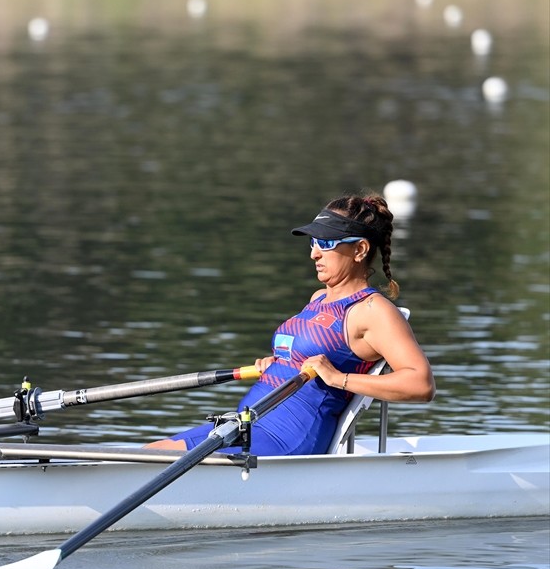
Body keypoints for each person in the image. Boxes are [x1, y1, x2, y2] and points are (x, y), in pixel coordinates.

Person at [146, 193, 435, 456]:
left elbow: (420, 384)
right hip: (247, 425)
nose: (314, 254)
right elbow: (311, 353)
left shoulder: (372, 311)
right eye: (313, 243)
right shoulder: (318, 298)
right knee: (150, 452)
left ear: (360, 250)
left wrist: (338, 379)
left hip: (289, 439)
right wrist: (280, 362)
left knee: (151, 462)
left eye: (325, 243)